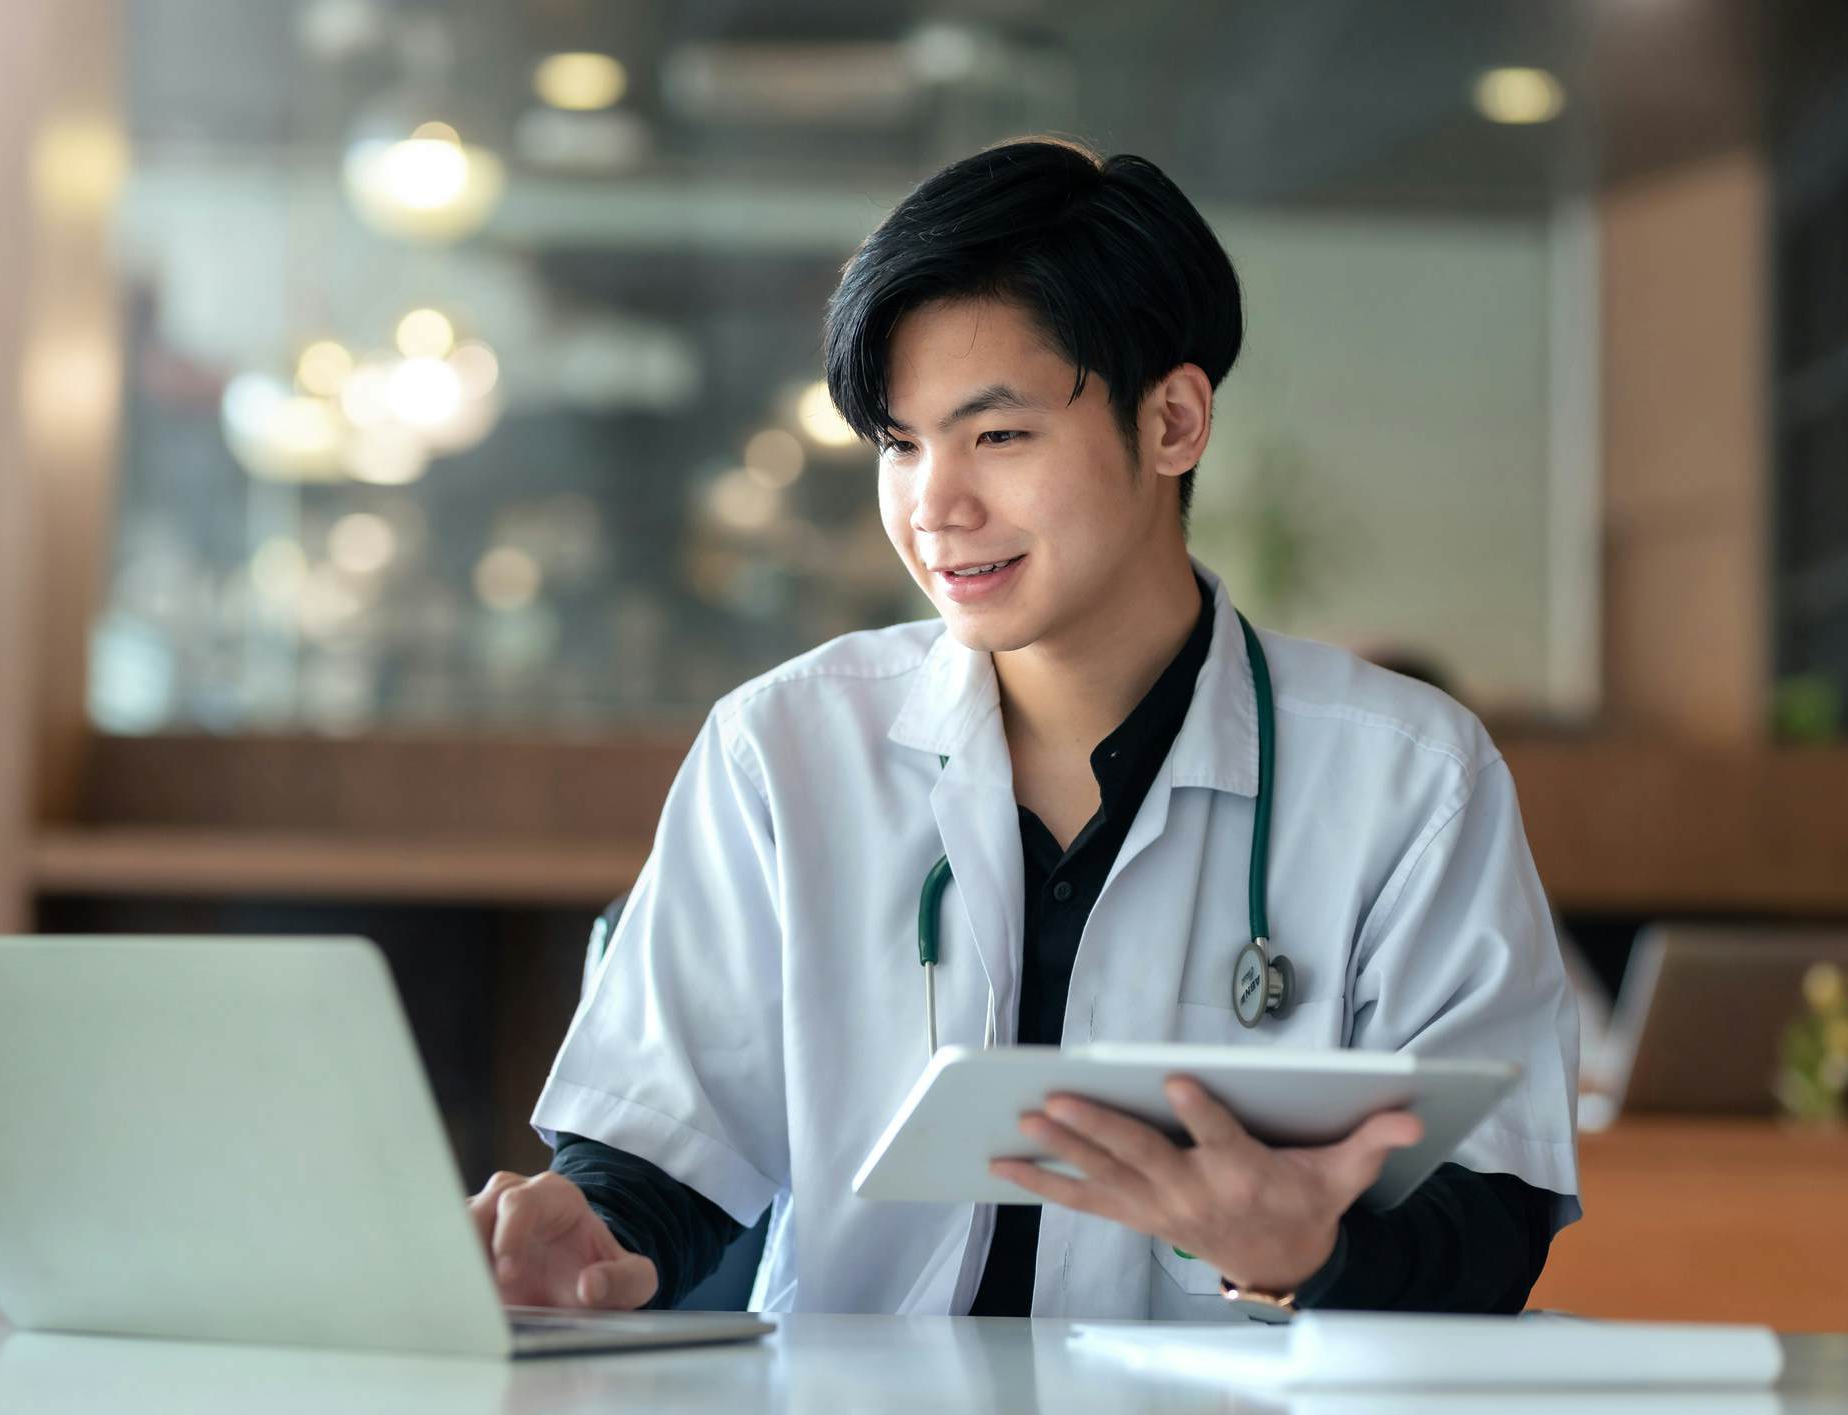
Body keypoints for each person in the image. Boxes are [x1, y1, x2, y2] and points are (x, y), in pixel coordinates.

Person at [470, 138, 1579, 1320]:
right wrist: (581, 1236)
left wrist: (1311, 1247)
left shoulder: (1405, 776)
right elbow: (659, 1156)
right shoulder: (783, 749)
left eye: (996, 435)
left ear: (1173, 421)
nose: (934, 507)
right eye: (901, 443)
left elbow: (1493, 1213)